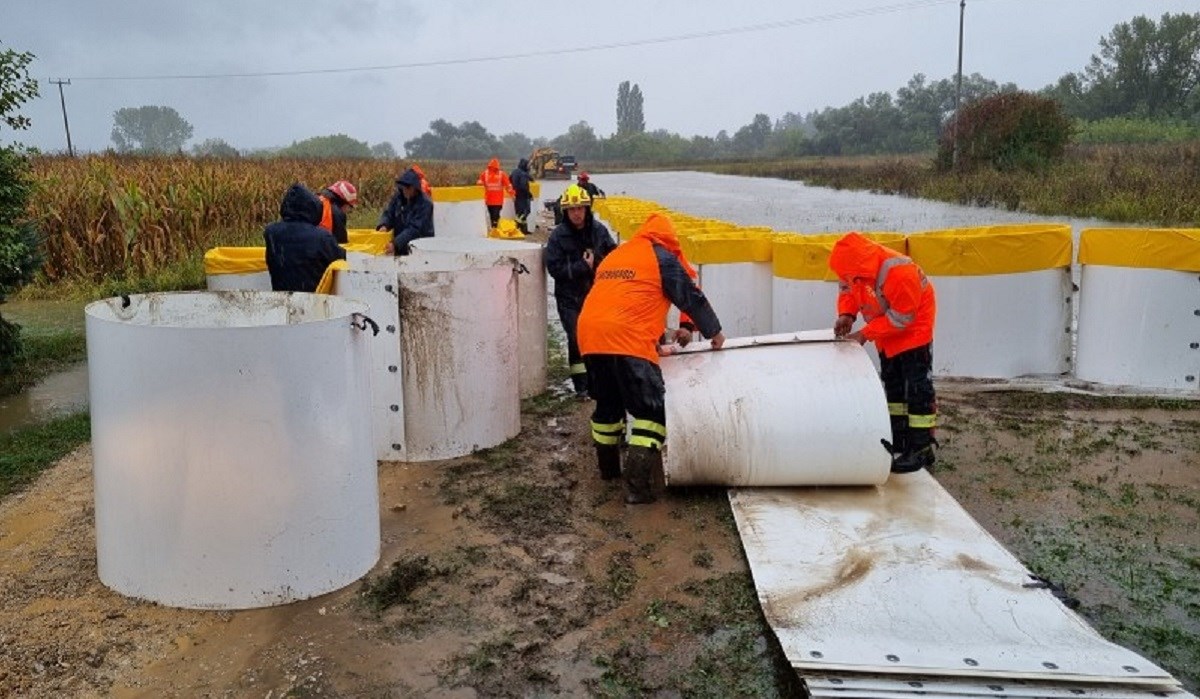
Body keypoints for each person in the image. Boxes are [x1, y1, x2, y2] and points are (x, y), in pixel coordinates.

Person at [578, 213, 725, 504]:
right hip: (626, 340)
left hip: (590, 336)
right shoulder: (662, 257)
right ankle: (637, 489)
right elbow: (689, 296)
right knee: (650, 413)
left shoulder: (618, 255)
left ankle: (608, 472)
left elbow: (630, 300)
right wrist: (714, 332)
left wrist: (659, 338)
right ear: (669, 240)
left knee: (608, 407)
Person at [829, 231, 938, 474]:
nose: (844, 279)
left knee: (917, 387)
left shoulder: (897, 272)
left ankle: (921, 448)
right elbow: (848, 289)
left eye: (848, 275)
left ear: (859, 267)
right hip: (886, 328)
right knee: (893, 384)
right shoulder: (853, 270)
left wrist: (865, 333)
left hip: (914, 329)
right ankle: (898, 437)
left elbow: (903, 317)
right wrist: (846, 314)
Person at [544, 184, 617, 399]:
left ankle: (597, 382)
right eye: (572, 209)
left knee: (597, 337)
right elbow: (554, 269)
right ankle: (581, 387)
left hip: (595, 295)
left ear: (587, 208)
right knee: (576, 337)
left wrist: (599, 264)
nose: (576, 213)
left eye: (580, 208)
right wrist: (581, 267)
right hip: (569, 298)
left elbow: (613, 257)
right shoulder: (558, 236)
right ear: (566, 211)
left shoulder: (599, 231)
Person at [264, 183, 347, 292]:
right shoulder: (322, 237)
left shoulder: (271, 233)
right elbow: (341, 261)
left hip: (282, 298)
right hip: (314, 299)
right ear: (313, 208)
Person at [377, 168, 435, 256]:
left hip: (421, 251)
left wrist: (395, 244)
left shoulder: (425, 204)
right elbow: (389, 213)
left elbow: (415, 229)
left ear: (415, 188)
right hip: (400, 249)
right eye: (403, 188)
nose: (405, 191)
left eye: (408, 188)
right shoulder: (398, 198)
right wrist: (384, 225)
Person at [476, 157, 514, 229]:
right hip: (496, 201)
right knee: (494, 215)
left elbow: (479, 182)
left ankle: (494, 228)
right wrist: (512, 194)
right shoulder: (500, 174)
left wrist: (512, 194)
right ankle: (495, 228)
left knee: (493, 215)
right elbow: (508, 185)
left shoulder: (486, 174)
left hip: (491, 200)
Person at [316, 180, 357, 244]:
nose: (348, 210)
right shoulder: (337, 213)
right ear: (344, 202)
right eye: (350, 206)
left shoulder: (317, 198)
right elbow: (341, 243)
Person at [509, 157, 533, 233]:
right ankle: (518, 226)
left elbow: (509, 180)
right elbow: (524, 186)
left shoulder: (514, 172)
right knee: (526, 211)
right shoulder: (523, 174)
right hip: (523, 195)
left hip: (516, 195)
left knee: (519, 212)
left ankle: (523, 229)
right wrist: (529, 194)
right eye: (527, 165)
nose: (528, 167)